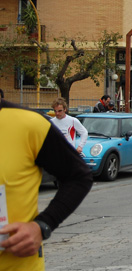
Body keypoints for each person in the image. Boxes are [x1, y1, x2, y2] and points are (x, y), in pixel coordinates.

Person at [0, 98, 93, 269]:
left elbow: (79, 175)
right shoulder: (51, 121)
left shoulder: (30, 123)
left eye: (60, 110)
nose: (58, 113)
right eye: (56, 110)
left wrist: (42, 225)